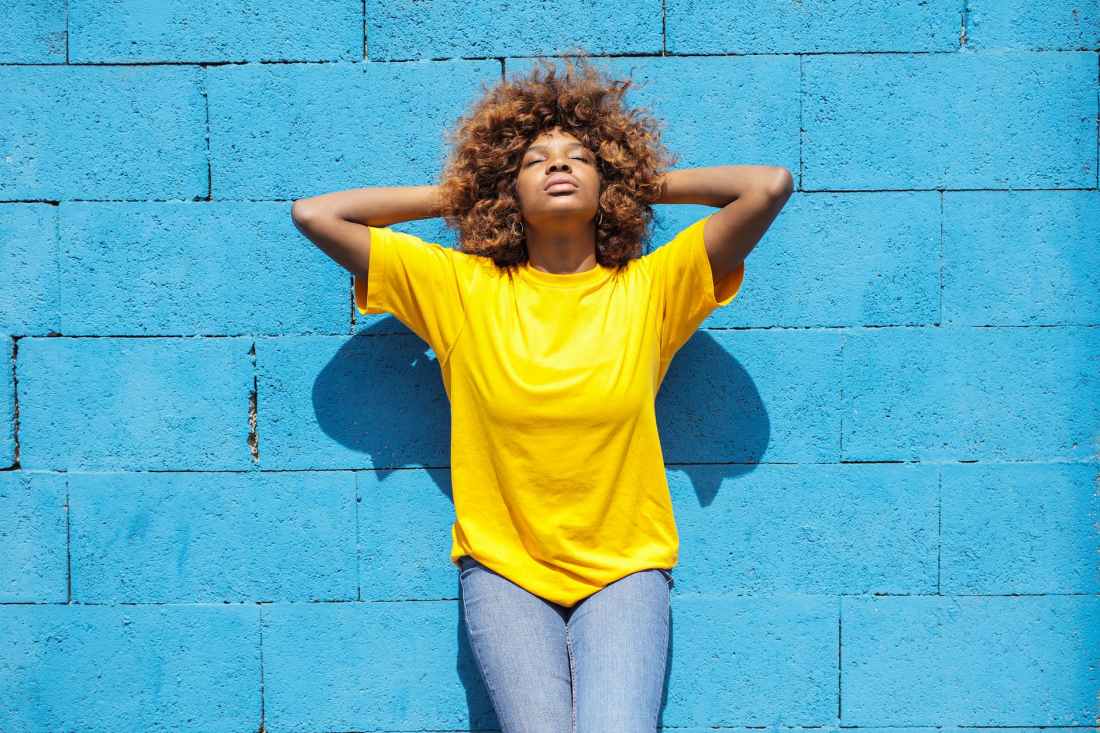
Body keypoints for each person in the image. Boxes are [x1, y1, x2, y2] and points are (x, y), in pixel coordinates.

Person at [291, 49, 792, 733]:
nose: (558, 164)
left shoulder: (651, 289)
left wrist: (641, 181)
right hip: (505, 570)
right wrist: (465, 194)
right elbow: (317, 215)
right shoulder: (459, 289)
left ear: (606, 183)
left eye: (580, 158)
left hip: (624, 568)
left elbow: (767, 186)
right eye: (535, 160)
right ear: (509, 189)